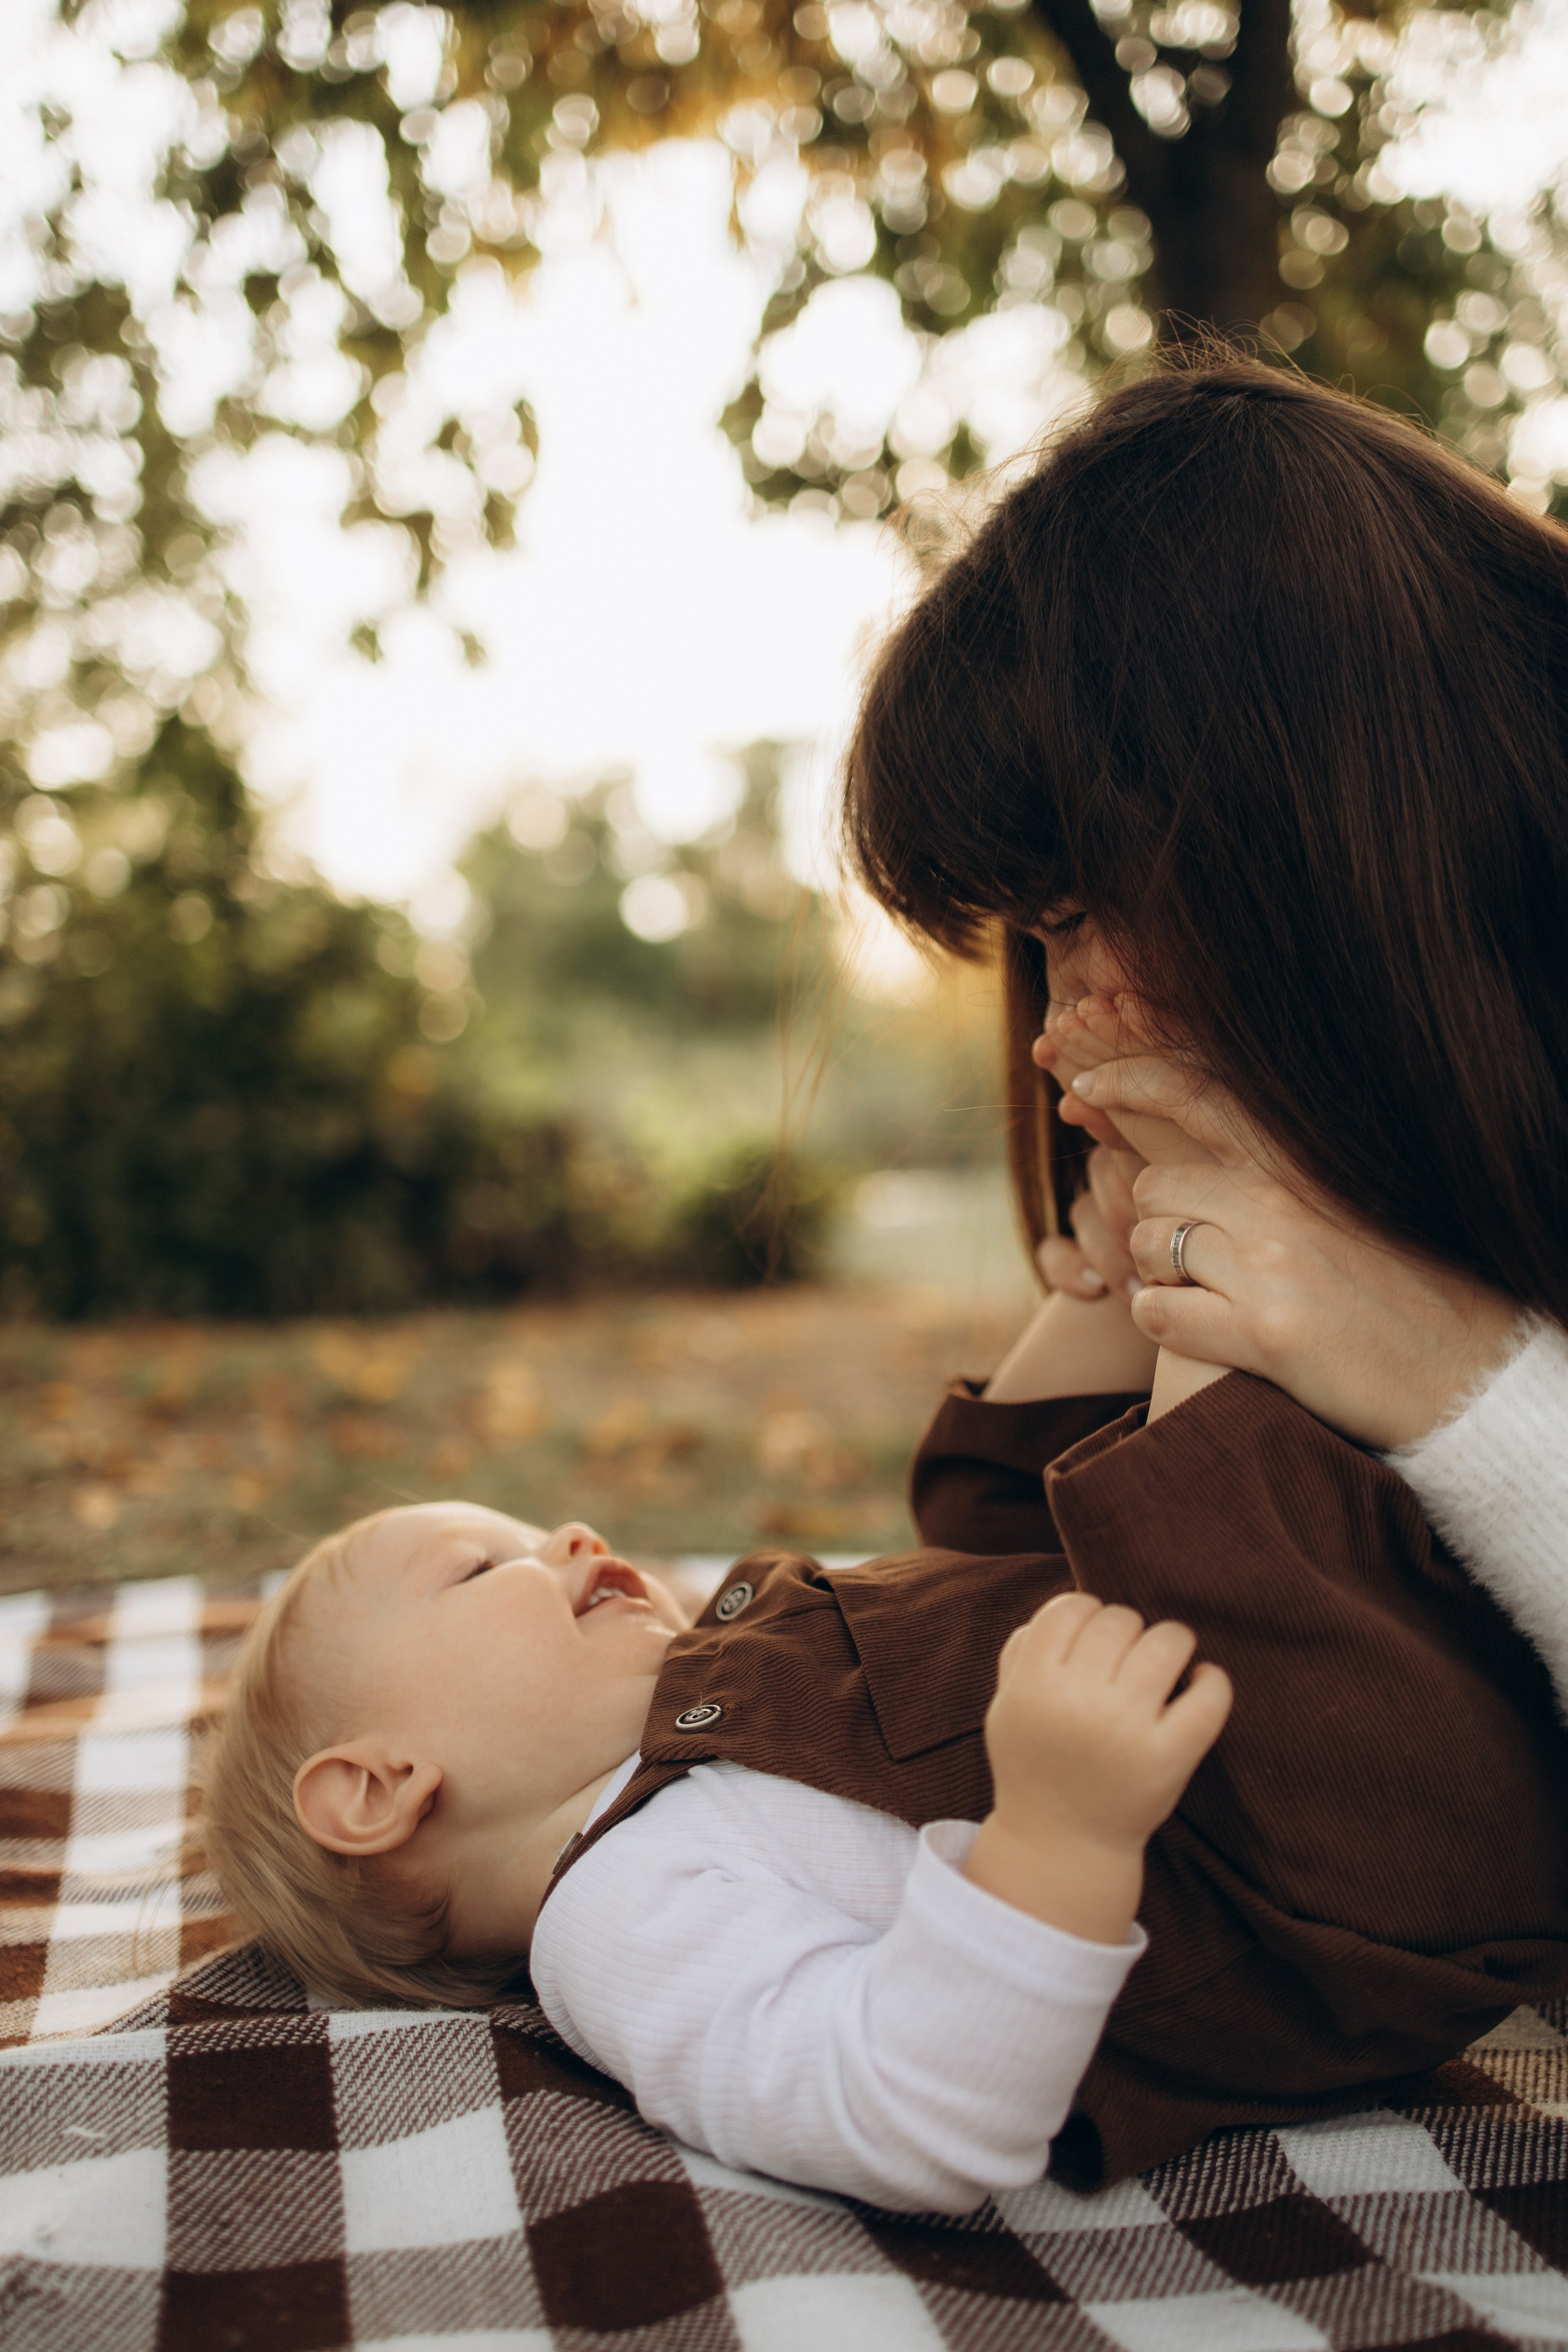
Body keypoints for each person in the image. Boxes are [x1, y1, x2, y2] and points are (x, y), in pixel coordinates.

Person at [204, 1491, 1232, 2212]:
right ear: (380, 1787)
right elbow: (900, 2108)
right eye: (479, 1566)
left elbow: (974, 1561)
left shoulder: (705, 1700)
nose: (572, 1531)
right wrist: (1064, 1833)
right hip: (1267, 1819)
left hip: (1148, 1601)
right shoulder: (617, 1909)